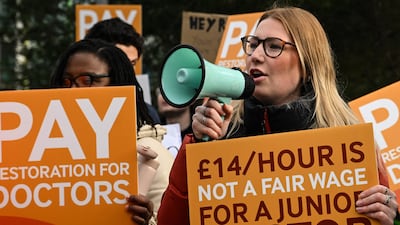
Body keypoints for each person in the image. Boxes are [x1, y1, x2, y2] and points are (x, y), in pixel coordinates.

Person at [157, 6, 399, 225]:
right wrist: (198, 147)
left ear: (307, 62)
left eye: (273, 46)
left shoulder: (349, 145)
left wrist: (387, 215)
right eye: (252, 44)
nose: (256, 55)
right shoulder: (221, 135)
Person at [49, 39, 174, 225]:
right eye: (66, 81)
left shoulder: (149, 152)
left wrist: (146, 221)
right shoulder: (48, 153)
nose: (73, 90)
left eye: (87, 80)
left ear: (117, 83)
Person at [84, 17, 161, 124]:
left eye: (133, 63)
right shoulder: (65, 109)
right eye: (120, 62)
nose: (128, 70)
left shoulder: (146, 114)